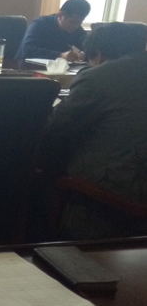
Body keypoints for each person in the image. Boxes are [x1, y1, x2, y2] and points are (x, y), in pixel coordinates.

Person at [44, 22, 147, 239]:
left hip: (117, 194)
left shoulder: (99, 77)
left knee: (39, 173)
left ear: (97, 54)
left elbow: (53, 127)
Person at [15, 0, 90, 61]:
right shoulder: (40, 24)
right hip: (25, 67)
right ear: (60, 16)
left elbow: (85, 46)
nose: (75, 26)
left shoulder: (78, 30)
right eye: (72, 22)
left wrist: (84, 53)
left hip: (58, 70)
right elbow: (27, 50)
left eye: (79, 22)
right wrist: (60, 55)